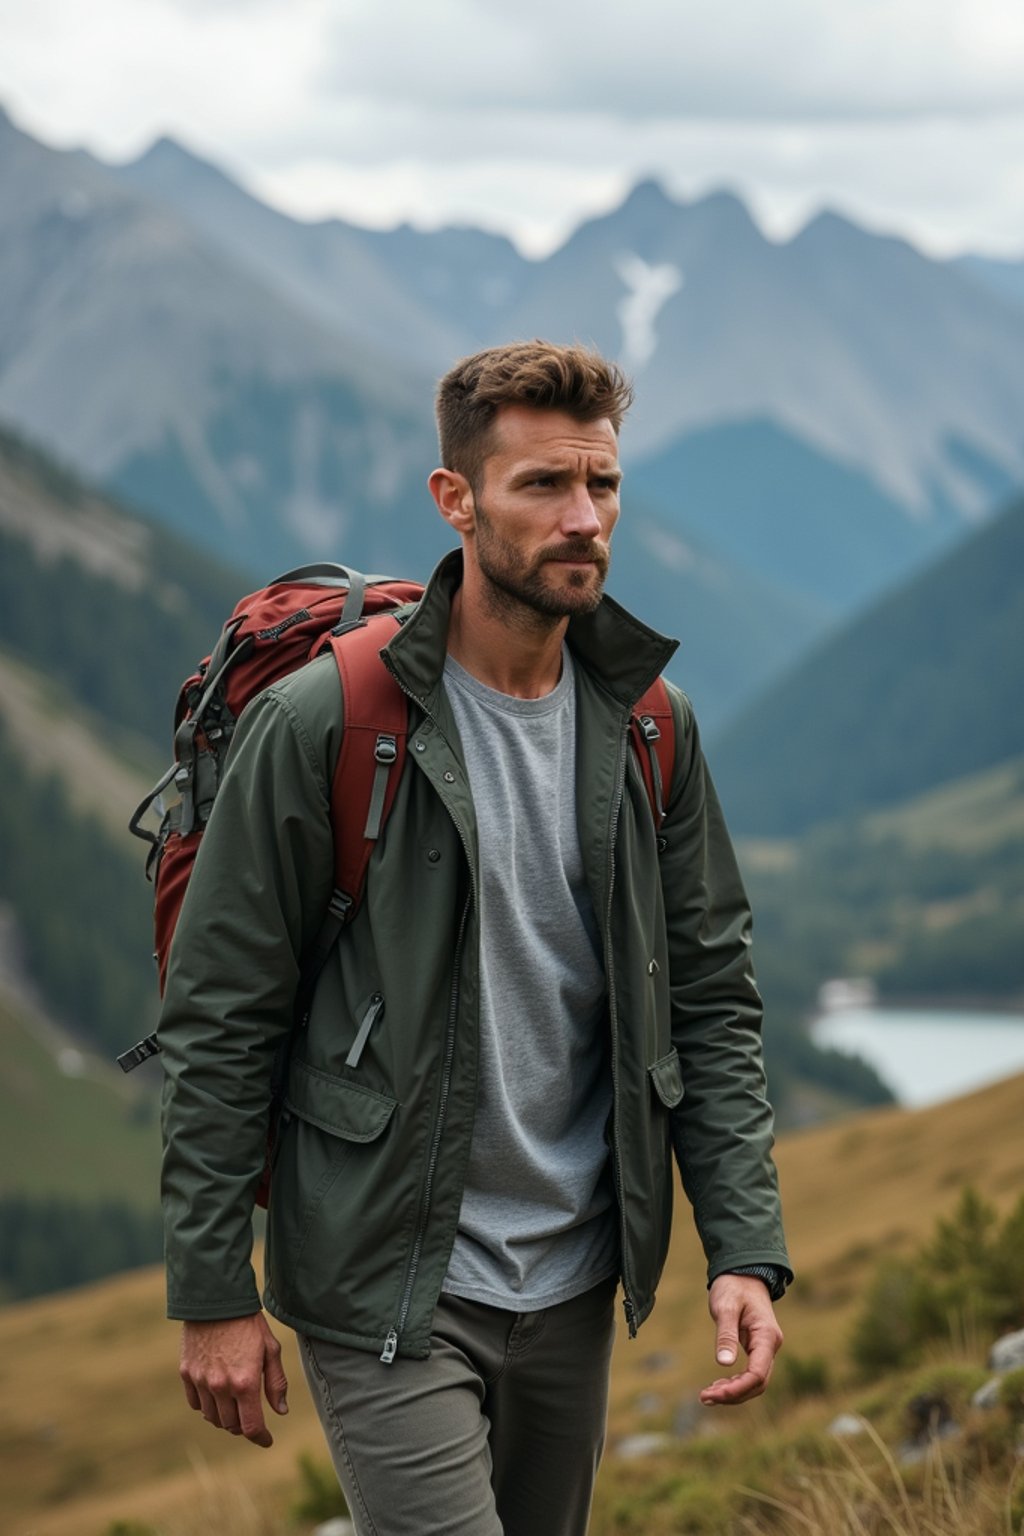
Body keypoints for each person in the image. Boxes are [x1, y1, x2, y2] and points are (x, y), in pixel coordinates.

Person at [160, 340, 792, 1536]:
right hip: (386, 1271)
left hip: (574, 1273)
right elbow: (221, 1020)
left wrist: (744, 1248)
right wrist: (210, 1291)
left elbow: (709, 998)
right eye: (542, 486)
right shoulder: (327, 722)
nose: (583, 518)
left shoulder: (652, 726)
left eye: (602, 485)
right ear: (455, 500)